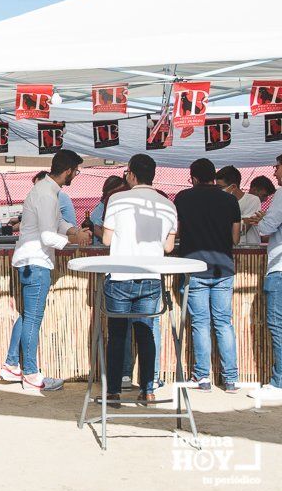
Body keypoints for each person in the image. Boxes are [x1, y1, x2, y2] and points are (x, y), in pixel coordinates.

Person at [0, 150, 92, 392]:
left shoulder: (47, 191)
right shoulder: (47, 194)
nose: (76, 175)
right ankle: (30, 373)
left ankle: (11, 366)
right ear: (69, 170)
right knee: (33, 319)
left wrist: (74, 231)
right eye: (77, 171)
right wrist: (74, 239)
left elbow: (58, 222)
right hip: (37, 261)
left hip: (31, 260)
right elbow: (48, 235)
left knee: (27, 315)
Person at [101, 154, 177, 406]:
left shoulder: (117, 199)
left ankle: (113, 391)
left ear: (131, 174)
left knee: (117, 335)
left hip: (121, 275)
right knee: (146, 334)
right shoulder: (167, 204)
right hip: (150, 277)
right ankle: (148, 390)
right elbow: (168, 246)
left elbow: (106, 241)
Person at [175, 158, 241, 393]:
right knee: (224, 322)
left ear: (193, 178)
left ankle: (202, 378)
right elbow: (235, 239)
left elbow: (178, 232)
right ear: (214, 176)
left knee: (201, 323)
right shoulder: (230, 200)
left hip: (194, 268)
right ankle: (231, 379)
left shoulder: (182, 198)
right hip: (223, 267)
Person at [246, 154, 282, 400]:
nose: (275, 171)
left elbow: (266, 228)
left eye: (277, 167)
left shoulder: (281, 194)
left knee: (277, 325)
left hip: (280, 269)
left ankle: (279, 381)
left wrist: (262, 221)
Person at [216, 165, 262, 244]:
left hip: (249, 251)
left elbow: (243, 228)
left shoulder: (252, 200)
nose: (218, 191)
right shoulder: (218, 202)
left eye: (220, 187)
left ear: (233, 187)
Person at [90, 175, 127, 245]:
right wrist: (111, 241)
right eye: (119, 190)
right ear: (110, 191)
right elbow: (95, 228)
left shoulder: (105, 204)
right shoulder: (104, 207)